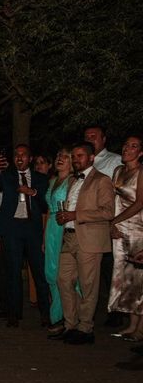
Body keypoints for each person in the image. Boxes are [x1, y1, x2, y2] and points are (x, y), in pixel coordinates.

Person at [50, 142, 115, 345]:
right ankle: (71, 324)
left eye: (81, 156)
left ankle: (86, 328)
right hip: (68, 236)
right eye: (75, 156)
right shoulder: (71, 180)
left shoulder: (102, 180)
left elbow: (108, 212)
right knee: (63, 280)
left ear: (91, 158)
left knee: (88, 286)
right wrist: (64, 217)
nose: (77, 159)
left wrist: (75, 214)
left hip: (89, 239)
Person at [0, 144, 51, 328]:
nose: (19, 158)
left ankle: (46, 314)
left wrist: (33, 192)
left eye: (23, 155)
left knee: (39, 272)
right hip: (12, 230)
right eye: (16, 155)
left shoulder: (41, 178)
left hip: (32, 230)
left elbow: (47, 203)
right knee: (13, 273)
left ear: (30, 158)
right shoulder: (7, 176)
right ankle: (13, 314)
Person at [83, 124, 123, 327]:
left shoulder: (115, 161)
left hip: (108, 222)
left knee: (110, 268)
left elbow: (121, 195)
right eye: (87, 136)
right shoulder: (80, 162)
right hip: (88, 224)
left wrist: (115, 221)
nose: (90, 139)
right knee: (92, 271)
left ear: (104, 139)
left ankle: (115, 312)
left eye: (94, 136)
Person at [107, 135, 143, 342]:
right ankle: (131, 325)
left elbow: (139, 203)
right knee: (125, 278)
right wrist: (112, 224)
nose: (127, 149)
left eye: (133, 146)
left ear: (140, 152)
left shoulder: (141, 172)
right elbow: (114, 199)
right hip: (119, 230)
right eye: (126, 145)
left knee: (138, 280)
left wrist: (115, 221)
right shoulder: (118, 171)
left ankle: (140, 329)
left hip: (138, 229)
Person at [43, 148, 74, 336]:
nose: (59, 159)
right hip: (52, 229)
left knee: (65, 274)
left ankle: (66, 318)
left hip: (65, 226)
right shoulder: (53, 181)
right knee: (51, 273)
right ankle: (56, 316)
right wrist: (45, 236)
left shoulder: (73, 182)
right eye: (58, 156)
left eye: (64, 157)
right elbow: (48, 210)